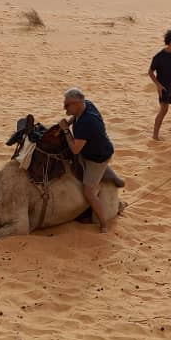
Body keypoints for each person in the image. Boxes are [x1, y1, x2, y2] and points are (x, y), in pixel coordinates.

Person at [59, 88, 114, 234]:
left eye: (67, 106)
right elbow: (75, 118)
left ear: (77, 103)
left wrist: (65, 130)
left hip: (97, 158)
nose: (65, 109)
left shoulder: (87, 122)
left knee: (89, 192)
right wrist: (69, 122)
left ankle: (103, 224)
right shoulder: (86, 104)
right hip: (90, 149)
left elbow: (75, 149)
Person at [148, 28, 171, 138]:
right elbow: (150, 72)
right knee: (164, 109)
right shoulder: (159, 57)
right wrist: (158, 85)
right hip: (164, 86)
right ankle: (155, 135)